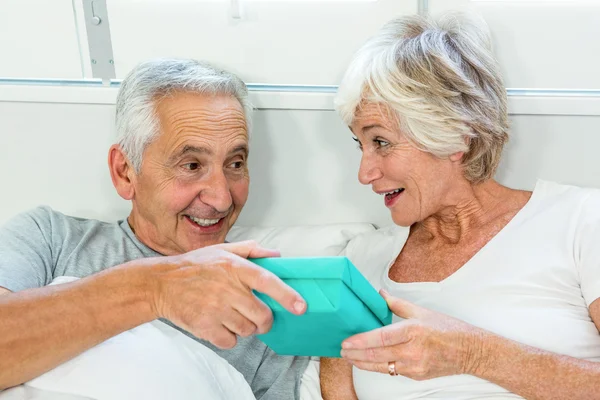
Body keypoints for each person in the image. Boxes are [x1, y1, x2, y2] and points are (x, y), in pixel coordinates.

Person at [320, 12, 600, 400]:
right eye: (360, 144)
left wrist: (472, 354)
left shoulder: (581, 222)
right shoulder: (360, 263)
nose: (364, 173)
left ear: (455, 137)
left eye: (380, 141)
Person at [0, 58, 309, 399]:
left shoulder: (270, 302)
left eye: (235, 164)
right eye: (192, 165)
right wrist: (155, 290)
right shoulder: (50, 239)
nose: (222, 198)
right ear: (125, 172)